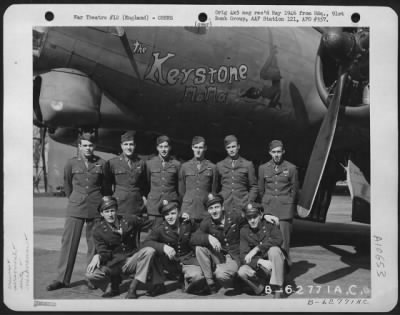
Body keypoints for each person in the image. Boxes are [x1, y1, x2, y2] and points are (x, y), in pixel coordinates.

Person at [46, 131, 110, 291]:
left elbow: (106, 187)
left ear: (94, 146)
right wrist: (75, 198)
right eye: (85, 145)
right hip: (76, 207)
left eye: (90, 145)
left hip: (95, 207)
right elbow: (67, 184)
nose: (88, 148)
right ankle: (62, 279)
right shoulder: (71, 163)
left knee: (94, 244)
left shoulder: (102, 163)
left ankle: (92, 277)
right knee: (68, 243)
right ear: (79, 146)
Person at [85, 196, 161, 298]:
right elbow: (104, 252)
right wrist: (98, 256)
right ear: (101, 214)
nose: (110, 214)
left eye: (112, 210)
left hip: (132, 260)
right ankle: (113, 283)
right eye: (106, 211)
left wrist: (169, 219)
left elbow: (150, 224)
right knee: (90, 275)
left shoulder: (129, 219)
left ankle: (133, 287)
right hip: (114, 265)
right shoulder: (98, 230)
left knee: (149, 250)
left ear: (116, 210)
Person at [144, 199, 205, 294]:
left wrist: (192, 221)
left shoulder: (187, 223)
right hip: (169, 262)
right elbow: (146, 242)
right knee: (152, 251)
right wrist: (163, 247)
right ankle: (158, 284)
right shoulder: (160, 228)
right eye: (167, 215)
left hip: (187, 259)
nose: (170, 217)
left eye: (173, 213)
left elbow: (201, 230)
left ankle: (185, 280)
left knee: (197, 277)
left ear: (179, 212)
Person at [191, 194, 241, 294]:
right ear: (208, 211)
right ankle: (210, 283)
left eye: (217, 207)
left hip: (235, 256)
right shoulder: (207, 222)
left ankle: (237, 282)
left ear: (222, 207)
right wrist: (208, 237)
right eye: (211, 208)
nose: (214, 211)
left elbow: (250, 224)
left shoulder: (235, 217)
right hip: (220, 256)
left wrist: (265, 215)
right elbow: (193, 238)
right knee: (199, 248)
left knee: (221, 275)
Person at [258, 140, 298, 259]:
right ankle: (269, 271)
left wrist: (289, 205)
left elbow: (294, 190)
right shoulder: (263, 168)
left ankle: (284, 270)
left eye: (279, 152)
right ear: (270, 152)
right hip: (269, 209)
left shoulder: (291, 168)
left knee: (284, 242)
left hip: (284, 211)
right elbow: (261, 190)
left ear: (283, 152)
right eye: (274, 152)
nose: (276, 154)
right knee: (267, 239)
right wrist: (265, 206)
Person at [238, 203, 286, 298]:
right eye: (249, 218)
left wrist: (257, 249)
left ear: (260, 215)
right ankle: (260, 289)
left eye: (254, 217)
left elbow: (278, 239)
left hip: (274, 266)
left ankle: (278, 288)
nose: (252, 220)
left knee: (274, 250)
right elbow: (243, 256)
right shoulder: (244, 231)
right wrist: (259, 261)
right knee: (242, 271)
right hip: (260, 267)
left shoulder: (269, 225)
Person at [106, 131, 147, 217]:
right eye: (126, 144)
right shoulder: (113, 163)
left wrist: (143, 199)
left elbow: (144, 184)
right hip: (119, 205)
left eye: (131, 144)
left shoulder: (141, 163)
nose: (128, 147)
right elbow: (107, 185)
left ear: (135, 146)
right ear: (121, 146)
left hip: (136, 206)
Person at [216, 135, 258, 216]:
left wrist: (248, 202)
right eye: (229, 147)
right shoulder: (220, 165)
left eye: (233, 146)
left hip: (242, 206)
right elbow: (216, 187)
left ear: (238, 147)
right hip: (225, 206)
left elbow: (254, 187)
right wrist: (219, 202)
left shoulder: (247, 164)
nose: (231, 150)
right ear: (226, 149)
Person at [179, 136, 217, 224]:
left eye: (200, 147)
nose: (198, 150)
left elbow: (213, 190)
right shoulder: (185, 166)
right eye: (196, 147)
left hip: (204, 210)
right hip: (188, 209)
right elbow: (181, 191)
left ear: (205, 148)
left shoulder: (212, 167)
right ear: (192, 148)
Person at [146, 135, 181, 228]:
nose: (163, 149)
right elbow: (146, 184)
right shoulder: (150, 164)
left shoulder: (176, 164)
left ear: (170, 147)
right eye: (161, 147)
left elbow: (179, 186)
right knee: (154, 234)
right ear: (157, 148)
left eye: (166, 146)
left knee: (170, 234)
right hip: (154, 207)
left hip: (170, 205)